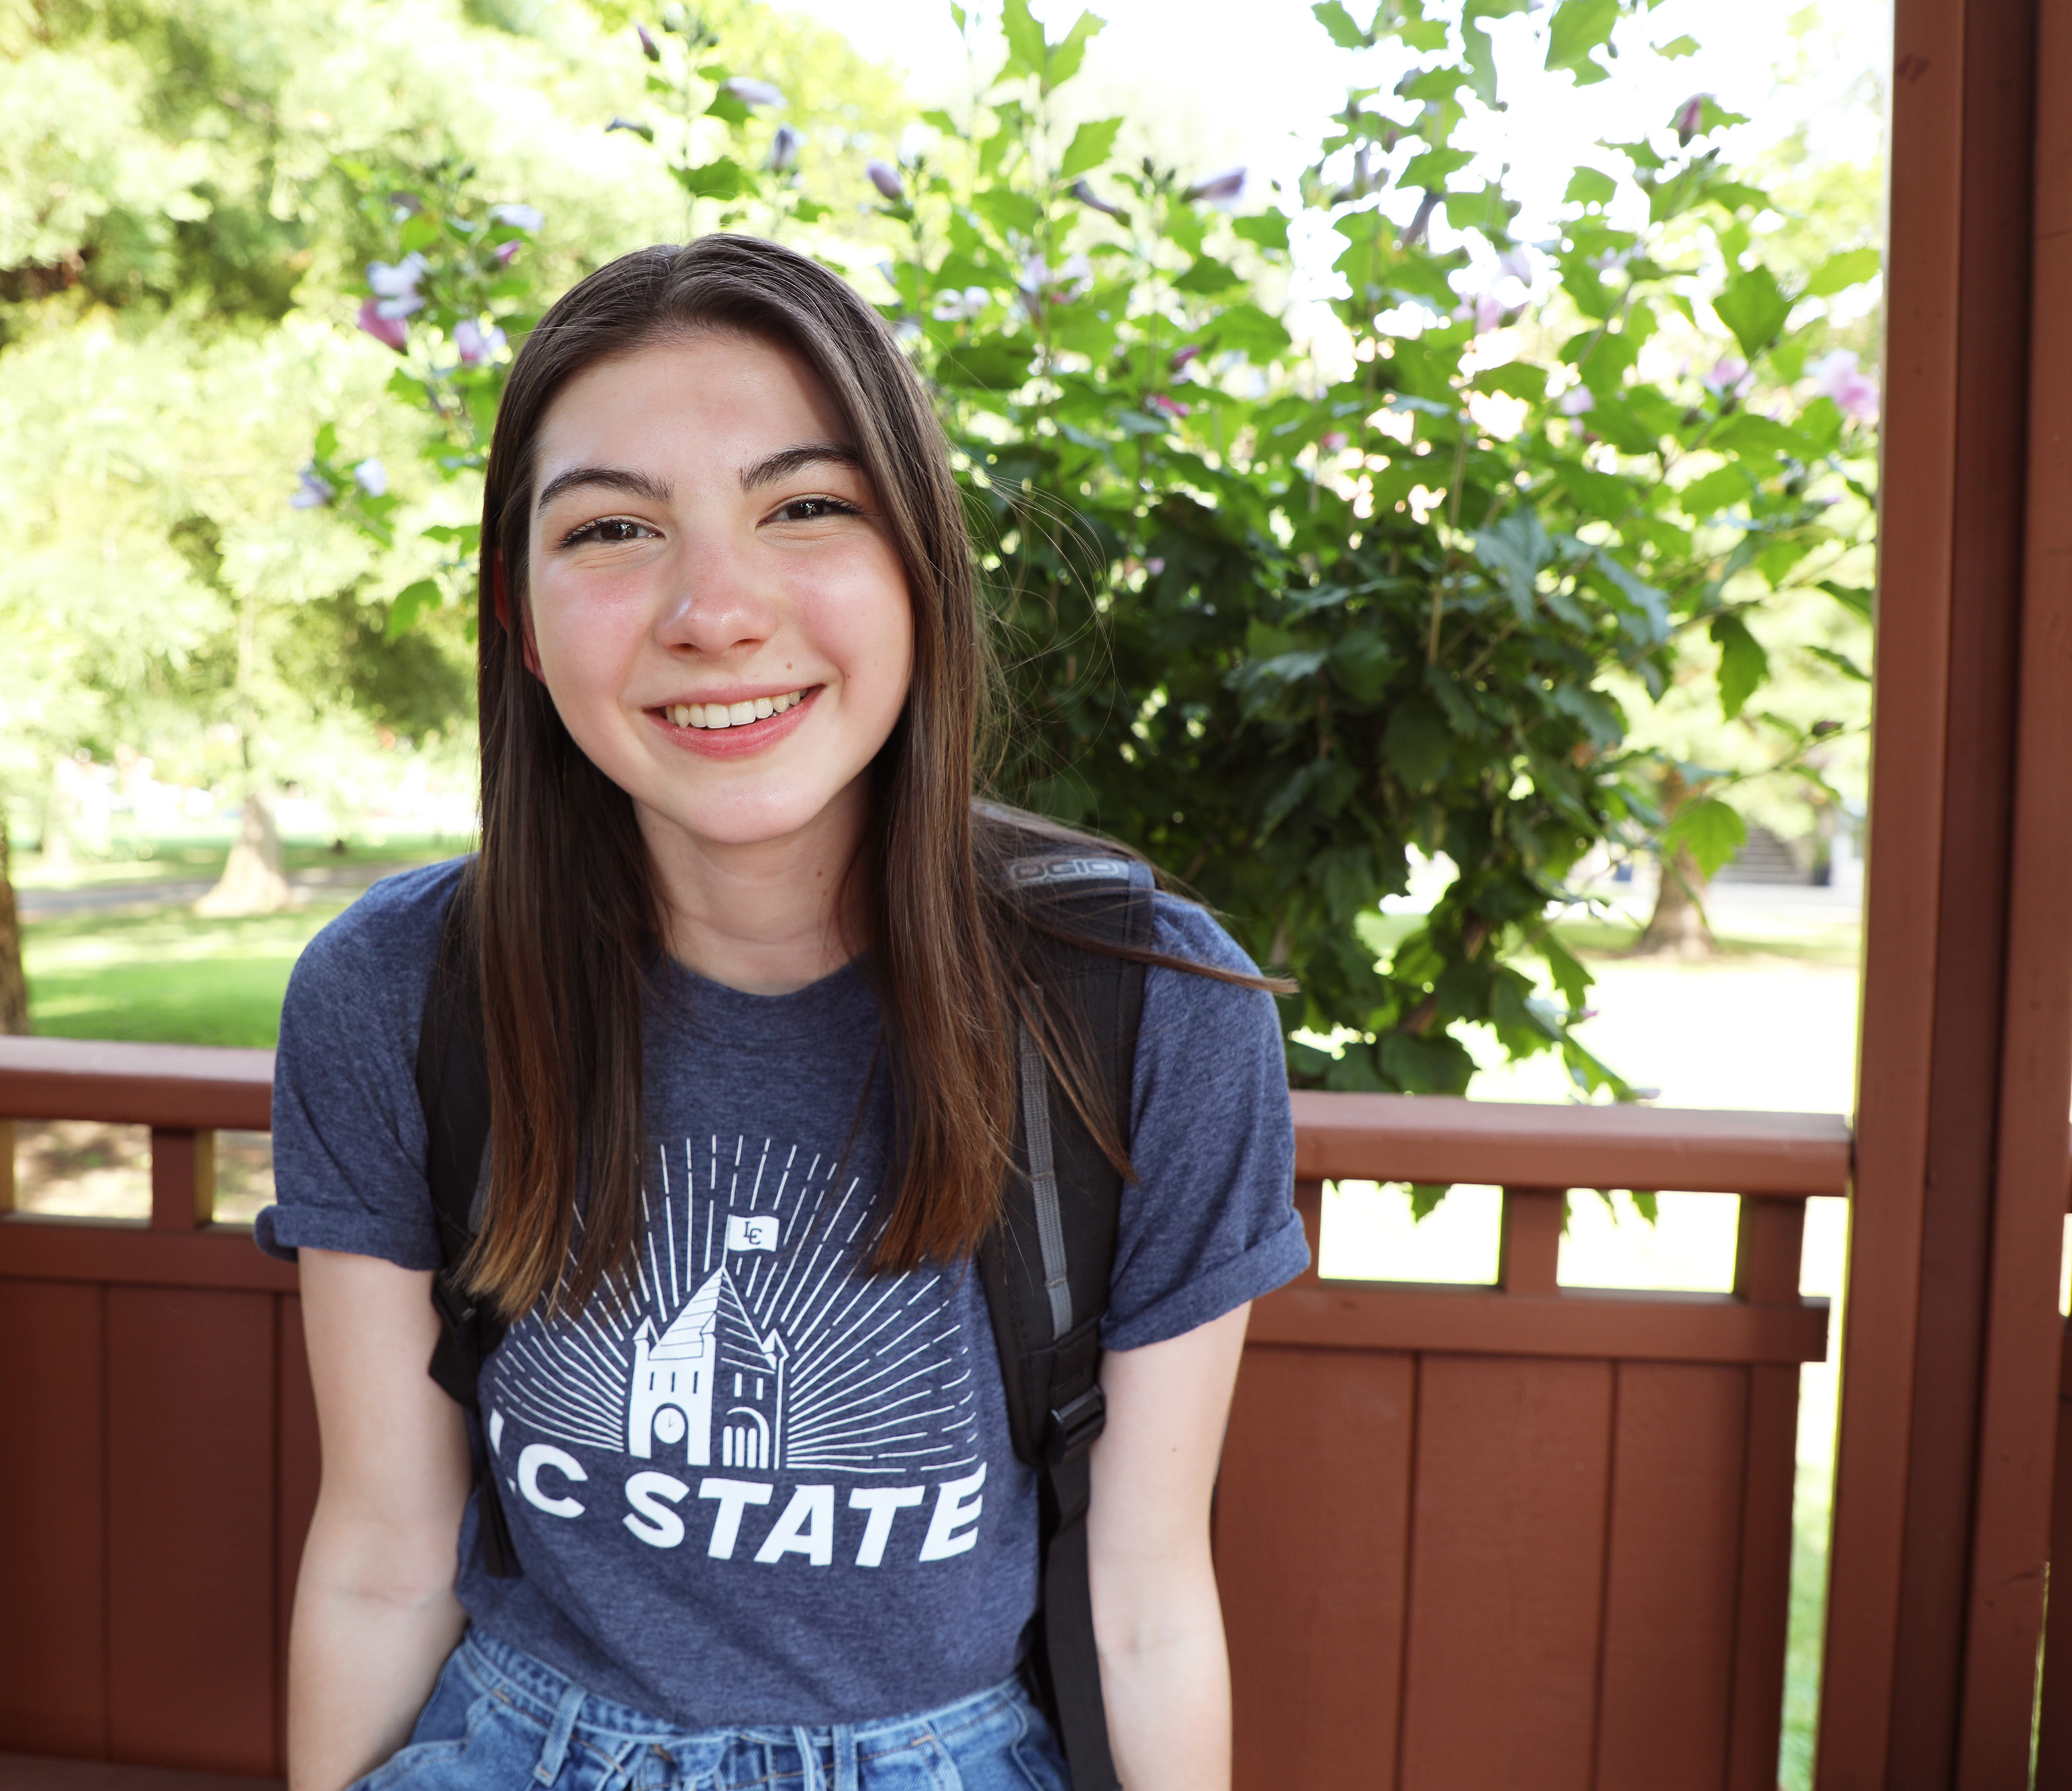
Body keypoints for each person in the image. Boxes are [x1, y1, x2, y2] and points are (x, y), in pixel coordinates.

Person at [254, 232, 1308, 1791]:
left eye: (804, 507)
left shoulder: (1145, 1009)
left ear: (918, 567)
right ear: (521, 617)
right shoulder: (398, 990)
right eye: (612, 528)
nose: (714, 608)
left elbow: (1144, 1599)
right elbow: (381, 1550)